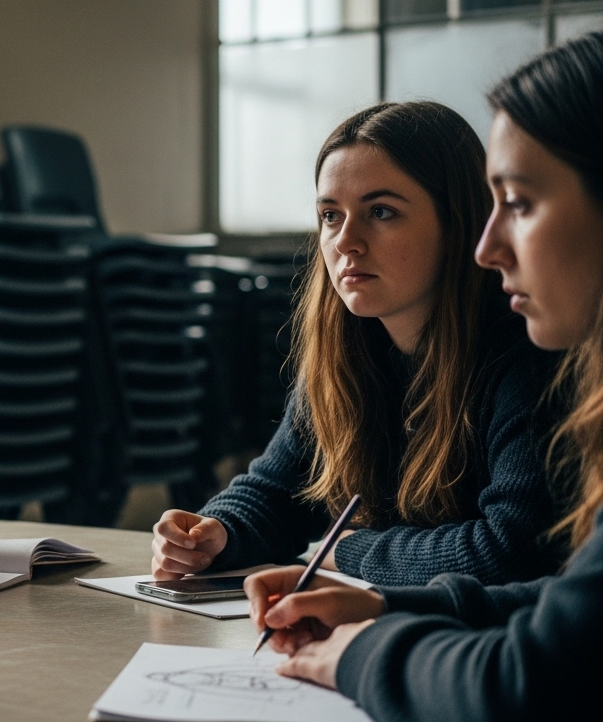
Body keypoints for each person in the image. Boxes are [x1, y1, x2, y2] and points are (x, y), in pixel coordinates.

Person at [243, 31, 603, 721]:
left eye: (520, 203)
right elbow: (567, 614)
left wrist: (360, 626)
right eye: (329, 216)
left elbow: (532, 671)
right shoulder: (348, 351)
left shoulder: (526, 365)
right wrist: (386, 602)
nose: (489, 246)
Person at [151, 101, 564, 586]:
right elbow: (279, 490)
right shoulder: (348, 351)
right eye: (330, 214)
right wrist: (215, 531)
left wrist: (351, 551)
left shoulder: (527, 355)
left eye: (381, 212)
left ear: (460, 223)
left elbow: (513, 550)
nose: (346, 241)